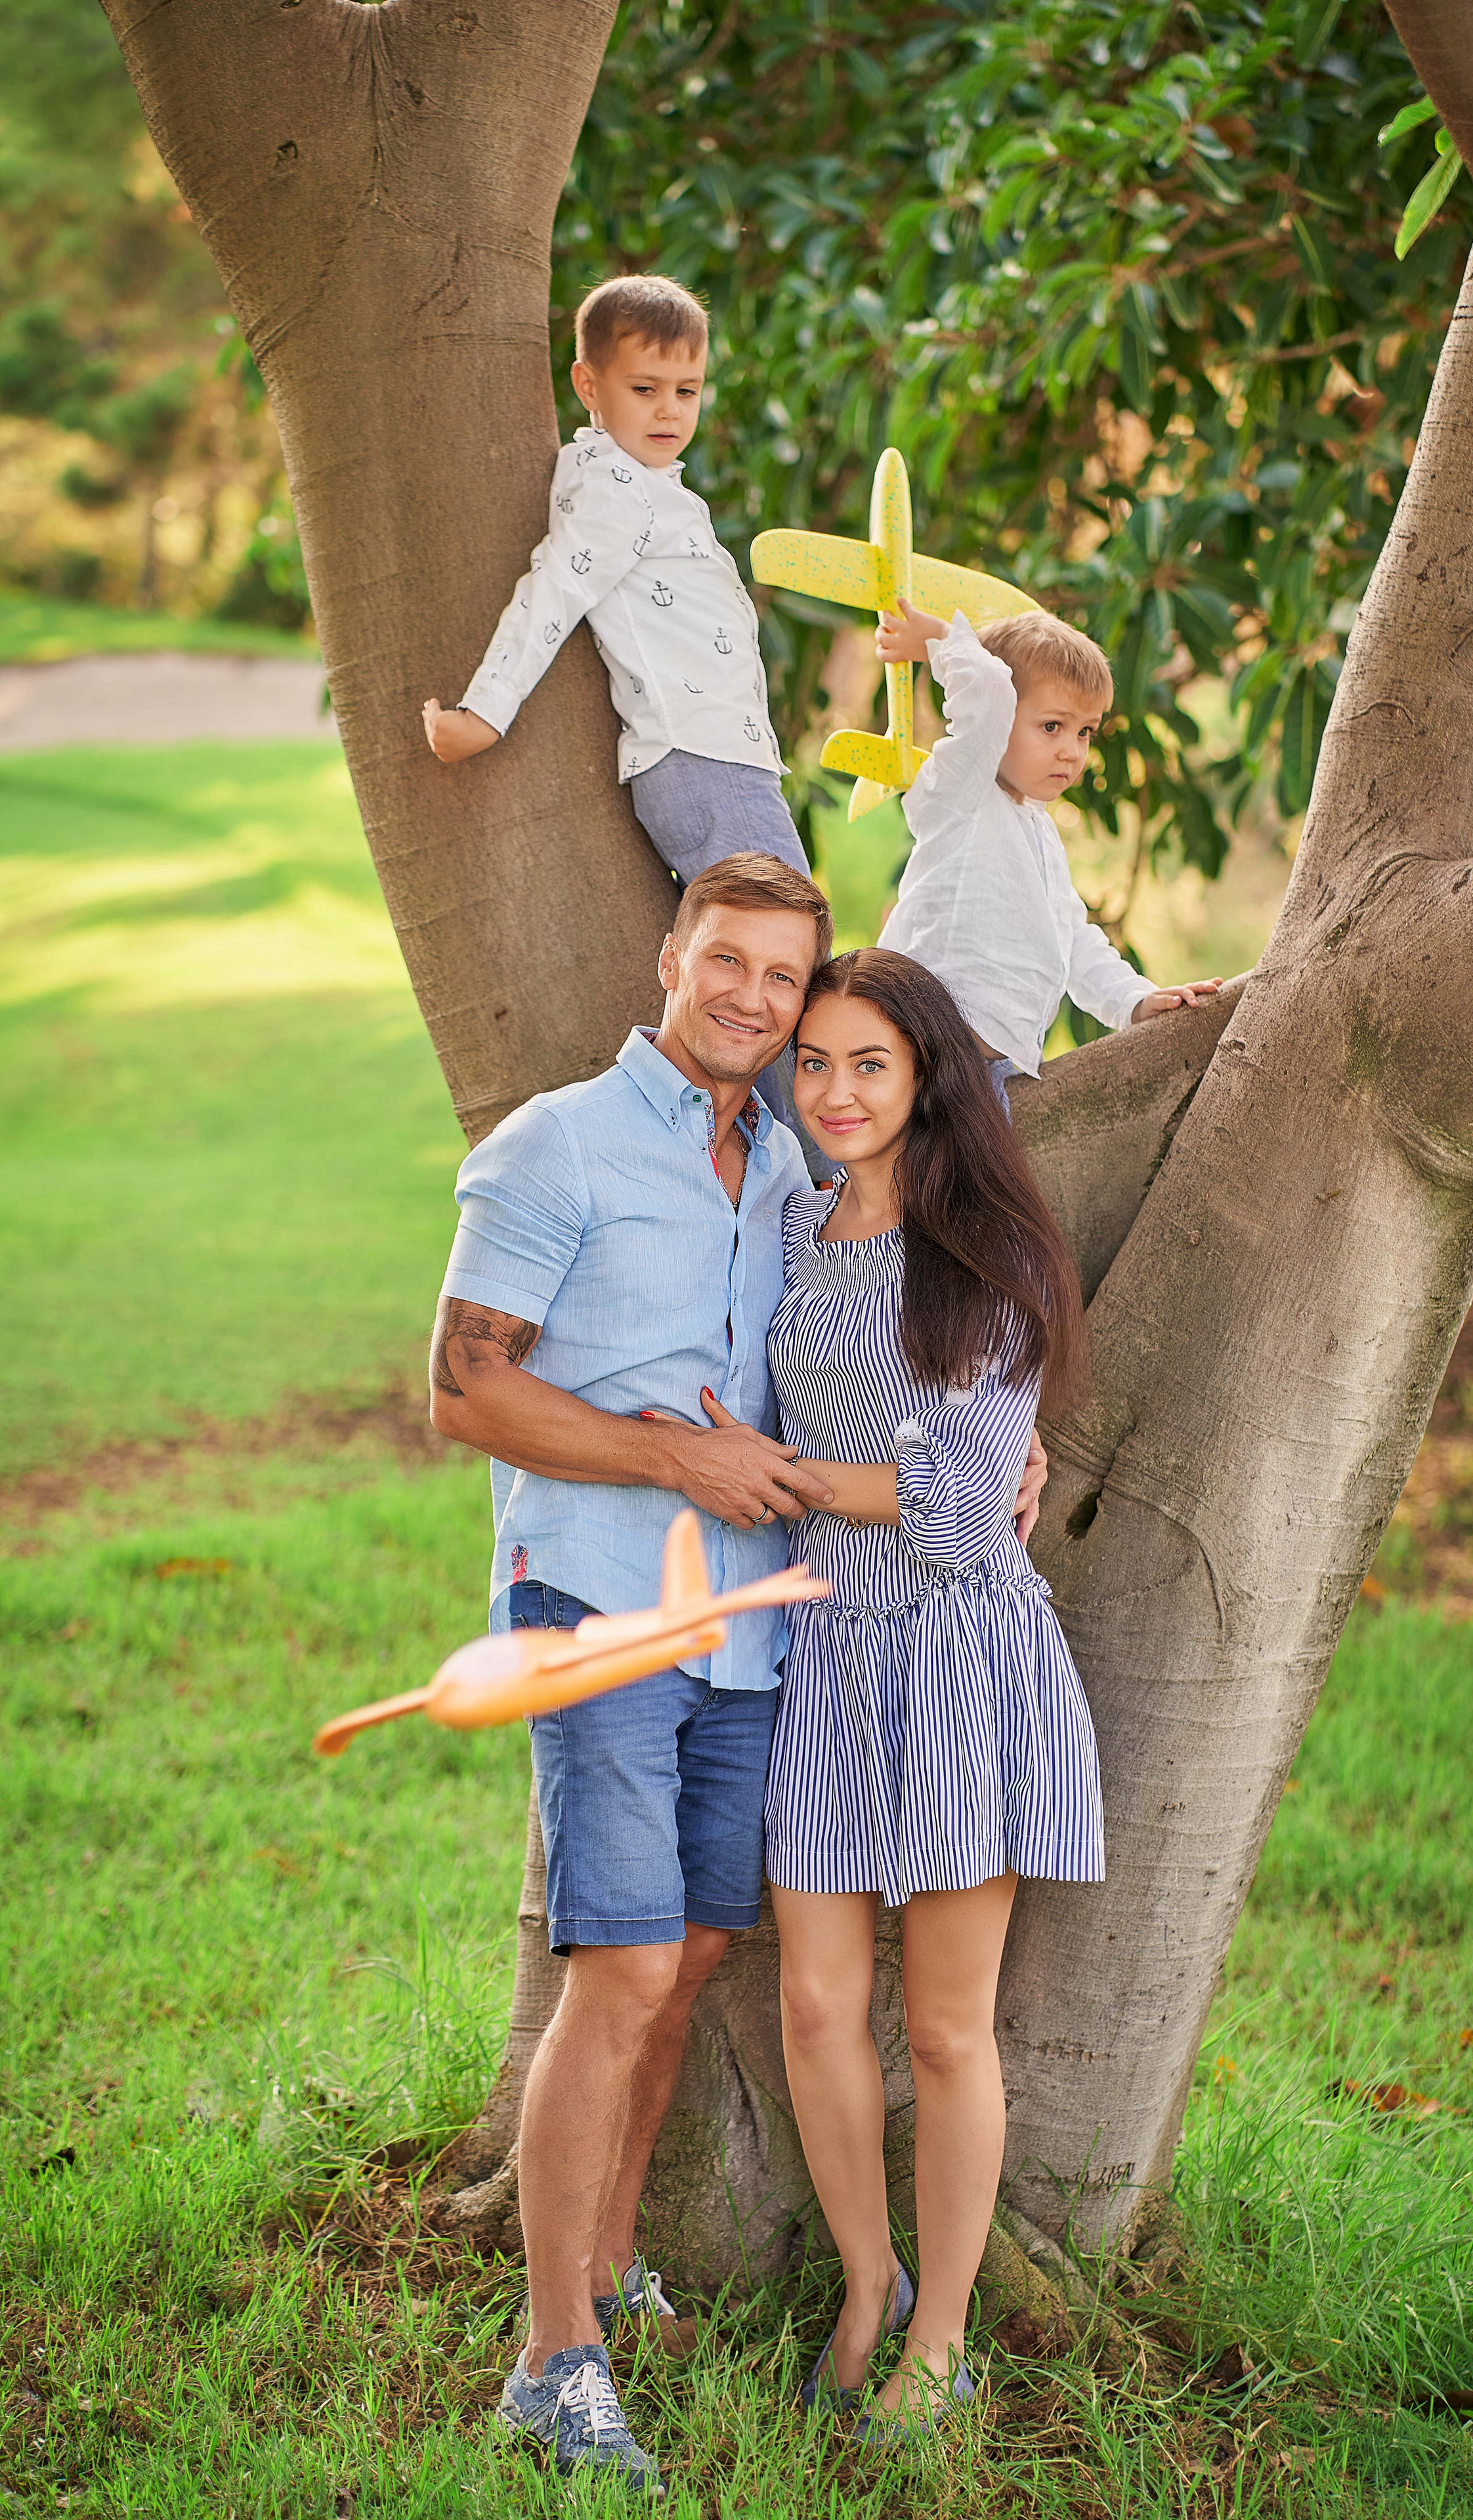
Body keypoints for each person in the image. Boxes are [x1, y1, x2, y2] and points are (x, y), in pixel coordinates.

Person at [427, 853, 838, 2493]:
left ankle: (602, 2267)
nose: (750, 996)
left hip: (749, 1623)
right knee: (623, 1964)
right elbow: (465, 1390)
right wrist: (675, 1461)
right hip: (597, 1604)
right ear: (671, 955)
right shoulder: (557, 1143)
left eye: (781, 976)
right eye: (725, 959)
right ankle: (550, 2360)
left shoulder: (791, 1160)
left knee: (694, 1952)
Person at [755, 946, 1101, 2437]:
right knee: (815, 2002)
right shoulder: (783, 1223)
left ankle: (944, 2342)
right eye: (813, 1062)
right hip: (824, 1649)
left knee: (949, 2028)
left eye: (868, 1065)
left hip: (959, 1656)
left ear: (926, 1077)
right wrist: (832, 1481)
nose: (834, 1092)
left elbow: (963, 1513)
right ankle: (867, 2282)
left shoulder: (988, 1258)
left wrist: (787, 1476)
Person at [421, 272, 807, 889]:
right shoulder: (618, 491)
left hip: (713, 759)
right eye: (645, 388)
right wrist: (485, 713)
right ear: (588, 386)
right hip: (705, 759)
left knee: (754, 932)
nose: (669, 409)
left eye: (687, 390)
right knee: (786, 925)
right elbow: (551, 592)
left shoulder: (642, 485)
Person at [874, 600, 1222, 1102]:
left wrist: (1134, 1000)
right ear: (1001, 721)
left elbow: (1071, 939)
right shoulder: (962, 795)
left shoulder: (1040, 833)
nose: (1072, 751)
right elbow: (988, 693)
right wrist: (940, 640)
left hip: (986, 1070)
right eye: (1052, 726)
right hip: (923, 1047)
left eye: (1085, 732)